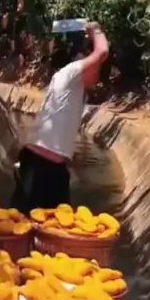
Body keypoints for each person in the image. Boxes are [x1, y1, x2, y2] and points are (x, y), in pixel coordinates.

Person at [12, 23, 109, 215]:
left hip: (56, 169)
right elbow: (102, 51)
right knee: (25, 221)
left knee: (58, 224)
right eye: (96, 71)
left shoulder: (76, 90)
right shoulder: (69, 74)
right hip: (39, 165)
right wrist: (95, 29)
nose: (97, 79)